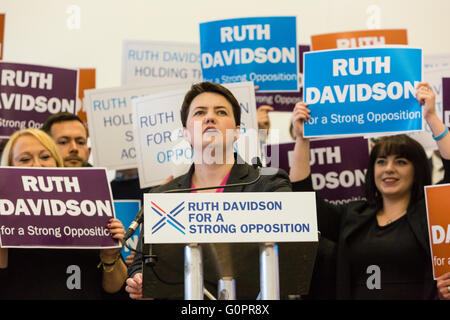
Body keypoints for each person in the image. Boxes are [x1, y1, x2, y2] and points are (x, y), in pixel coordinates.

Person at [125, 81, 292, 299]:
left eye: (221, 112)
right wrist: (140, 280)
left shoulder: (269, 184)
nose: (210, 117)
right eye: (199, 112)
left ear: (237, 132)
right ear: (185, 133)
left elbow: (290, 253)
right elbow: (141, 262)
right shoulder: (162, 197)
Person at [289, 82, 450, 300]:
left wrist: (431, 117)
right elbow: (302, 202)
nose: (389, 169)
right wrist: (302, 138)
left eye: (401, 162)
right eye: (381, 161)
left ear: (418, 170)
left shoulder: (433, 216)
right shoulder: (352, 215)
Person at [0, 128, 128, 299]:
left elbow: (115, 289)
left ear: (57, 162)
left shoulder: (90, 208)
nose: (37, 165)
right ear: (8, 168)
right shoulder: (6, 219)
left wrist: (110, 256)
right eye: (25, 159)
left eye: (45, 157)